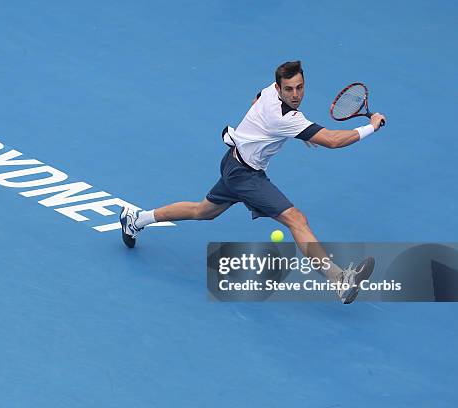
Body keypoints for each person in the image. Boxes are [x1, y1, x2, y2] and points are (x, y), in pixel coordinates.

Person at [119, 61, 386, 304]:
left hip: (233, 163)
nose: (296, 94)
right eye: (289, 89)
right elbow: (332, 141)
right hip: (245, 175)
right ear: (280, 88)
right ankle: (339, 279)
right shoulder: (286, 119)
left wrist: (263, 132)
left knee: (202, 211)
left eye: (300, 88)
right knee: (296, 219)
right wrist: (371, 126)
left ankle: (137, 219)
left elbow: (256, 99)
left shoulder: (270, 91)